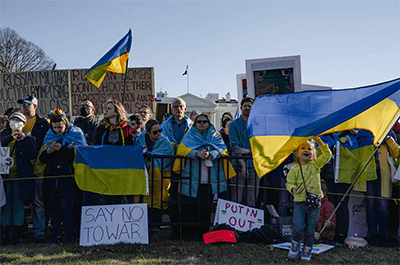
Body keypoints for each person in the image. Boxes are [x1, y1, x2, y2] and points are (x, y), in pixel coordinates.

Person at [173, 114, 234, 239]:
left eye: (204, 121)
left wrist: (211, 154)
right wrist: (197, 153)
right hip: (192, 178)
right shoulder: (189, 135)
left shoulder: (215, 135)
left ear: (208, 123)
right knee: (190, 206)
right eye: (199, 121)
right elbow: (182, 149)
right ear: (195, 123)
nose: (201, 123)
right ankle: (189, 234)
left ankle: (203, 233)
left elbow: (223, 149)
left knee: (206, 206)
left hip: (209, 179)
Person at [38, 110, 86, 243]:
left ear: (66, 124)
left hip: (68, 178)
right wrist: (48, 152)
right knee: (54, 208)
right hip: (52, 179)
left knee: (67, 208)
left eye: (60, 127)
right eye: (55, 128)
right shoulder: (49, 136)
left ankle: (70, 234)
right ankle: (57, 235)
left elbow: (79, 155)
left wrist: (62, 149)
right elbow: (41, 158)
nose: (57, 130)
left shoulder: (76, 134)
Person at [286, 137, 332, 261]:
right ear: (297, 152)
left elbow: (328, 155)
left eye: (309, 149)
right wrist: (293, 189)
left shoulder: (316, 164)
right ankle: (295, 246)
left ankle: (307, 251)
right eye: (303, 148)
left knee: (310, 230)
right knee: (298, 226)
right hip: (300, 202)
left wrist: (319, 142)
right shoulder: (294, 169)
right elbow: (289, 183)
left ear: (313, 153)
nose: (306, 150)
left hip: (315, 203)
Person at [1, 111, 37, 245]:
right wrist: (11, 138)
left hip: (19, 178)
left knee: (17, 205)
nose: (15, 122)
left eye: (18, 120)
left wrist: (25, 139)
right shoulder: (4, 136)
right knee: (5, 205)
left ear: (24, 124)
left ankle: (16, 233)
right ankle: (5, 233)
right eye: (12, 120)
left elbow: (33, 154)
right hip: (4, 178)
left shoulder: (29, 138)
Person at [17, 95, 49, 243]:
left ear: (35, 106)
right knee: (20, 200)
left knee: (38, 201)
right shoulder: (17, 122)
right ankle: (18, 231)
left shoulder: (43, 124)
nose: (23, 106)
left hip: (38, 167)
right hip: (20, 167)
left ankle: (39, 231)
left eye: (27, 104)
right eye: (22, 104)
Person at [135, 119, 174, 241]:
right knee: (142, 200)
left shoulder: (164, 141)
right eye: (155, 132)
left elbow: (168, 154)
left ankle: (155, 230)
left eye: (160, 131)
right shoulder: (140, 139)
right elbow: (136, 151)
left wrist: (151, 157)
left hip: (159, 176)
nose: (158, 134)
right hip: (143, 175)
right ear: (147, 132)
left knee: (157, 202)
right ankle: (141, 229)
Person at [95, 100, 133, 204]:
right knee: (107, 197)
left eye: (109, 108)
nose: (105, 111)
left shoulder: (126, 129)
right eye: (106, 108)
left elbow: (130, 147)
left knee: (119, 197)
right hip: (106, 168)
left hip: (121, 169)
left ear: (117, 112)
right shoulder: (101, 129)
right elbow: (96, 146)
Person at [229, 97, 259, 207]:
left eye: (249, 106)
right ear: (241, 108)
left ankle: (251, 224)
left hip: (255, 167)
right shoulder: (233, 125)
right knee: (236, 199)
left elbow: (260, 147)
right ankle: (234, 224)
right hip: (237, 166)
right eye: (245, 106)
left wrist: (248, 151)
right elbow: (235, 147)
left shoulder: (257, 125)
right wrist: (243, 165)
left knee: (252, 200)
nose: (247, 108)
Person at [314, 180, 336, 245]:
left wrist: (329, 224)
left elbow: (333, 225)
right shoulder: (313, 204)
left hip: (324, 236)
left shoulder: (328, 206)